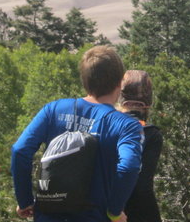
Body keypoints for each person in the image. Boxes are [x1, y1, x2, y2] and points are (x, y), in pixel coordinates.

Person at [11, 46, 142, 222]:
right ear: (120, 82)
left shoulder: (53, 110)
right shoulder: (127, 125)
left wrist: (25, 200)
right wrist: (114, 211)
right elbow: (129, 167)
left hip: (48, 215)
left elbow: (20, 150)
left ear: (84, 80)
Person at [118, 70, 162, 222]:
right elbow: (142, 185)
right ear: (148, 102)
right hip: (137, 211)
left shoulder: (105, 124)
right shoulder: (151, 134)